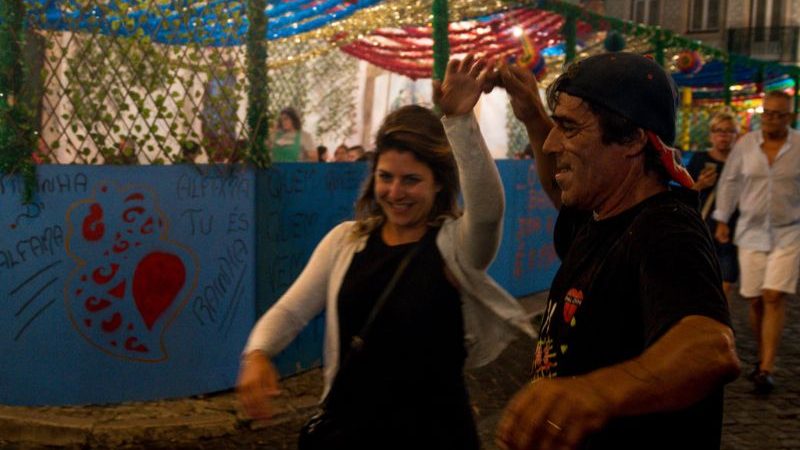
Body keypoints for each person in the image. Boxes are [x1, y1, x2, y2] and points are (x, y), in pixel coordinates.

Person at [237, 56, 534, 449]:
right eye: (386, 177)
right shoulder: (346, 243)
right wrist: (258, 353)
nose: (395, 193)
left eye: (412, 180)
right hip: (349, 434)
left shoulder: (454, 248)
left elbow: (488, 212)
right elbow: (291, 311)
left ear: (438, 185)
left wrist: (461, 124)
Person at [489, 53, 740, 449]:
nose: (553, 143)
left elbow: (712, 347)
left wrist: (594, 394)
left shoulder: (666, 230)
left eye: (569, 127)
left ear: (632, 139)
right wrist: (532, 114)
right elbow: (557, 186)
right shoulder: (600, 214)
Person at [712, 90, 800, 394]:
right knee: (755, 299)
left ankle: (766, 367)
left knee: (774, 295)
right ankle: (764, 348)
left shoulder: (799, 147)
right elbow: (731, 181)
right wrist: (723, 219)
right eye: (768, 114)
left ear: (790, 117)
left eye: (779, 114)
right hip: (750, 231)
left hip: (789, 232)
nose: (772, 120)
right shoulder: (746, 146)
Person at [686, 112, 740, 298]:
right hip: (703, 228)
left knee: (726, 279)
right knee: (700, 277)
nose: (723, 136)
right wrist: (700, 184)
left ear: (736, 134)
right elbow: (686, 193)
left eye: (729, 131)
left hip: (733, 229)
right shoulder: (699, 159)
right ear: (711, 135)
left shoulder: (742, 161)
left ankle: (719, 321)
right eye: (718, 131)